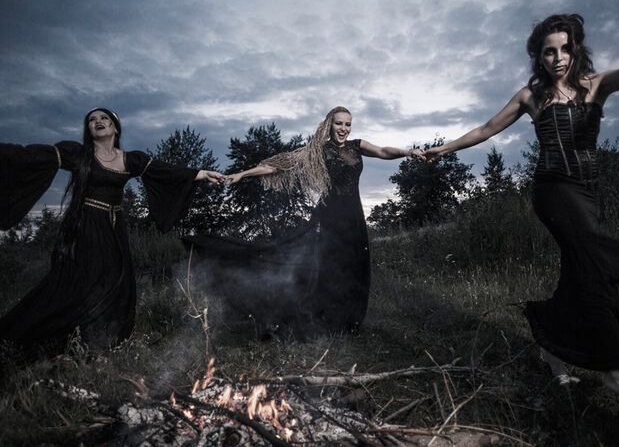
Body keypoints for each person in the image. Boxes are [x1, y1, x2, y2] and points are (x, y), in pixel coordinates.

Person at [425, 14, 619, 418]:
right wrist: (443, 149)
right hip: (553, 190)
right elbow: (486, 129)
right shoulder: (531, 97)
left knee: (579, 272)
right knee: (593, 264)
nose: (558, 57)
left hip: (588, 194)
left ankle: (550, 340)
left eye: (565, 48)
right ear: (539, 56)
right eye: (549, 51)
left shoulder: (596, 85)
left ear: (576, 48)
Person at [0, 108, 224, 360]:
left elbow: (164, 170)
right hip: (84, 228)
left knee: (118, 282)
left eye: (104, 118)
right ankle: (26, 338)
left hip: (114, 230)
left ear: (115, 128)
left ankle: (99, 342)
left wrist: (201, 174)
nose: (98, 121)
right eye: (92, 120)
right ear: (89, 129)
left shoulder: (130, 160)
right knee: (78, 284)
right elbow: (31, 156)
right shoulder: (78, 154)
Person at [184, 106, 424, 337]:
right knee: (331, 267)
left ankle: (349, 321)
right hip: (330, 216)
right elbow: (276, 166)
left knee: (354, 265)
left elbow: (383, 151)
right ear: (329, 124)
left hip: (354, 215)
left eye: (348, 124)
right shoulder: (317, 151)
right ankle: (327, 320)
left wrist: (406, 152)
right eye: (339, 123)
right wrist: (243, 174)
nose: (343, 129)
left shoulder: (357, 146)